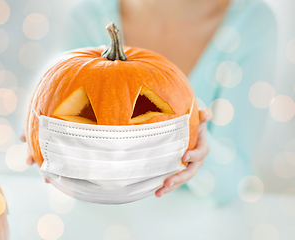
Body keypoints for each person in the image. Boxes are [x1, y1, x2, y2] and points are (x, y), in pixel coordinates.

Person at [22, 0, 277, 204]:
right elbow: (54, 99)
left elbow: (230, 184)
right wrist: (38, 132)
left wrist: (198, 152)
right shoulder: (87, 15)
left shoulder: (250, 21)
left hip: (192, 224)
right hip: (90, 218)